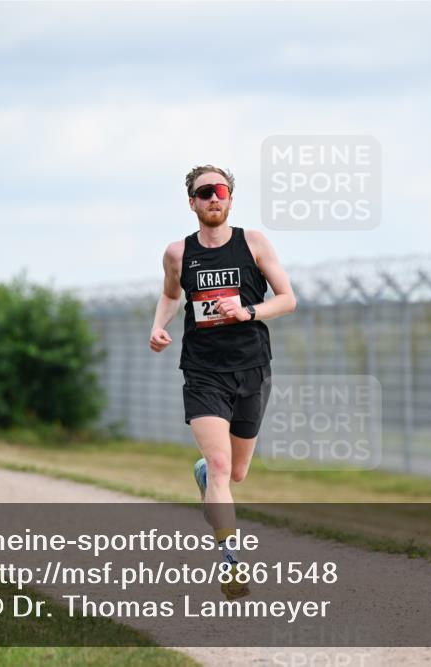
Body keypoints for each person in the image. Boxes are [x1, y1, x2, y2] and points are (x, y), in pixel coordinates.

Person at [149, 164, 296, 599]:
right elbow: (172, 295)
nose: (214, 197)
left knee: (237, 472)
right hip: (202, 370)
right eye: (204, 192)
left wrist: (248, 311)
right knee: (219, 467)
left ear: (231, 198)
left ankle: (206, 475)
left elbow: (288, 299)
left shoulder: (253, 243)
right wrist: (158, 326)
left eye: (221, 190)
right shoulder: (178, 253)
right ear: (191, 202)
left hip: (252, 367)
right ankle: (232, 564)